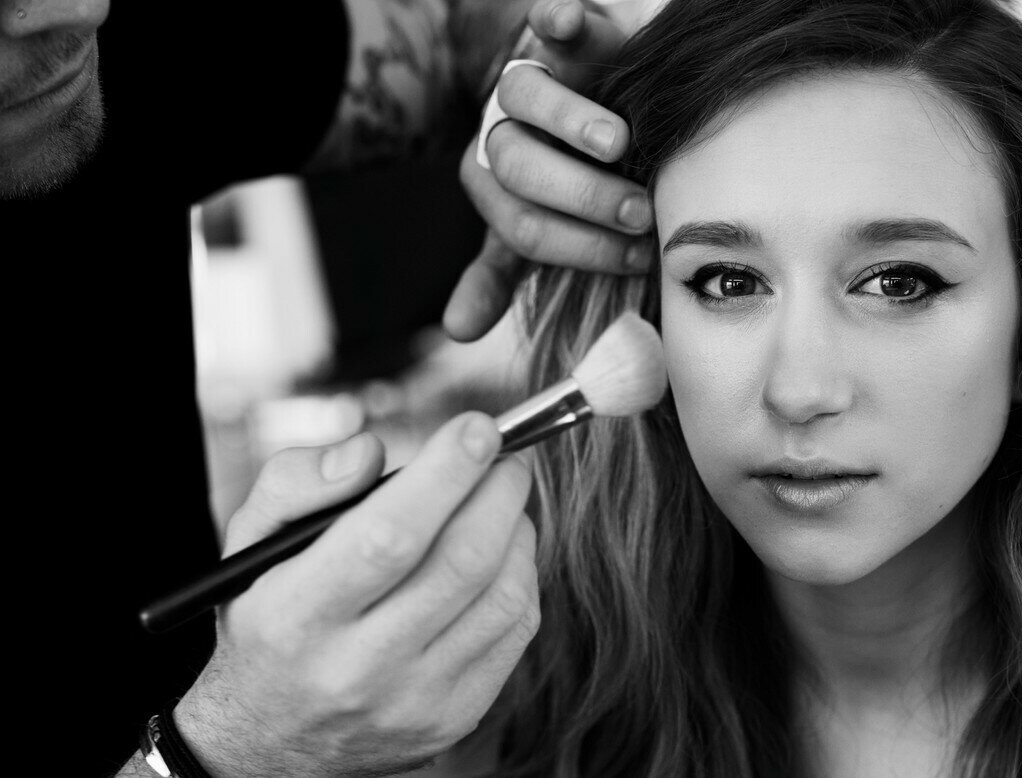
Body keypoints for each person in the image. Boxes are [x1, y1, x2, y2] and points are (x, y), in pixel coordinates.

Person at [468, 0, 1022, 774]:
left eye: (898, 282)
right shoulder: (528, 723)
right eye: (729, 281)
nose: (798, 392)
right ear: (652, 315)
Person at [0, 0, 645, 774]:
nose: (76, 7)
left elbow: (449, 38)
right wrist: (230, 751)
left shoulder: (76, 45)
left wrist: (524, 88)